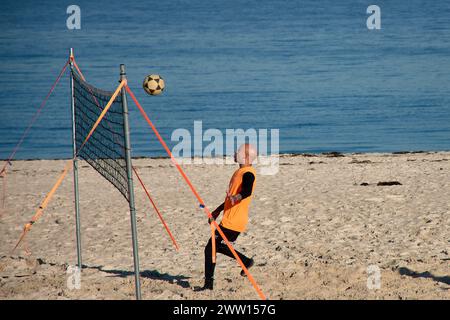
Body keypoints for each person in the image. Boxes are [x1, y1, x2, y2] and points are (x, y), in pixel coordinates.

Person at [195, 143, 257, 291]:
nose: (235, 153)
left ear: (246, 156)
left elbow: (247, 191)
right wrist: (217, 211)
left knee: (212, 247)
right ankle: (244, 261)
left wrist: (237, 197)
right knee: (213, 247)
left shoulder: (248, 173)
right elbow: (230, 199)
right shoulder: (239, 172)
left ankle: (245, 261)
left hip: (235, 221)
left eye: (238, 151)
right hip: (229, 218)